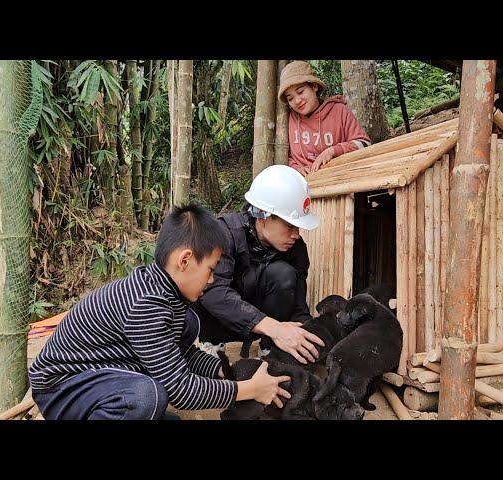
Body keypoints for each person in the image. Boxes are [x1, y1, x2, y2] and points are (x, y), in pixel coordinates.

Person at [28, 204, 292, 420]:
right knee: (147, 398)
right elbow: (179, 390)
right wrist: (248, 389)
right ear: (185, 260)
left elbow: (182, 356)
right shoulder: (147, 304)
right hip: (61, 387)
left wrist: (227, 370)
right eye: (211, 270)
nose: (212, 280)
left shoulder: (167, 294)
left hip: (102, 376)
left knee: (164, 401)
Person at [194, 164, 325, 364]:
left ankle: (269, 348)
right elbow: (214, 294)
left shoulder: (295, 248)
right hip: (222, 322)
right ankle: (211, 344)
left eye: (297, 227)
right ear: (262, 216)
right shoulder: (225, 234)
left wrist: (308, 335)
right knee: (205, 286)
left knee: (284, 274)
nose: (295, 235)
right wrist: (273, 327)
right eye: (289, 225)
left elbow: (298, 304)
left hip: (263, 324)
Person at [278, 61, 372, 176]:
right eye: (290, 98)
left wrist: (333, 151)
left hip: (339, 180)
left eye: (300, 92)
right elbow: (283, 155)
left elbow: (365, 143)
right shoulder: (288, 119)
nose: (297, 101)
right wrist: (296, 168)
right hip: (303, 186)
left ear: (314, 86)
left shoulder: (338, 110)